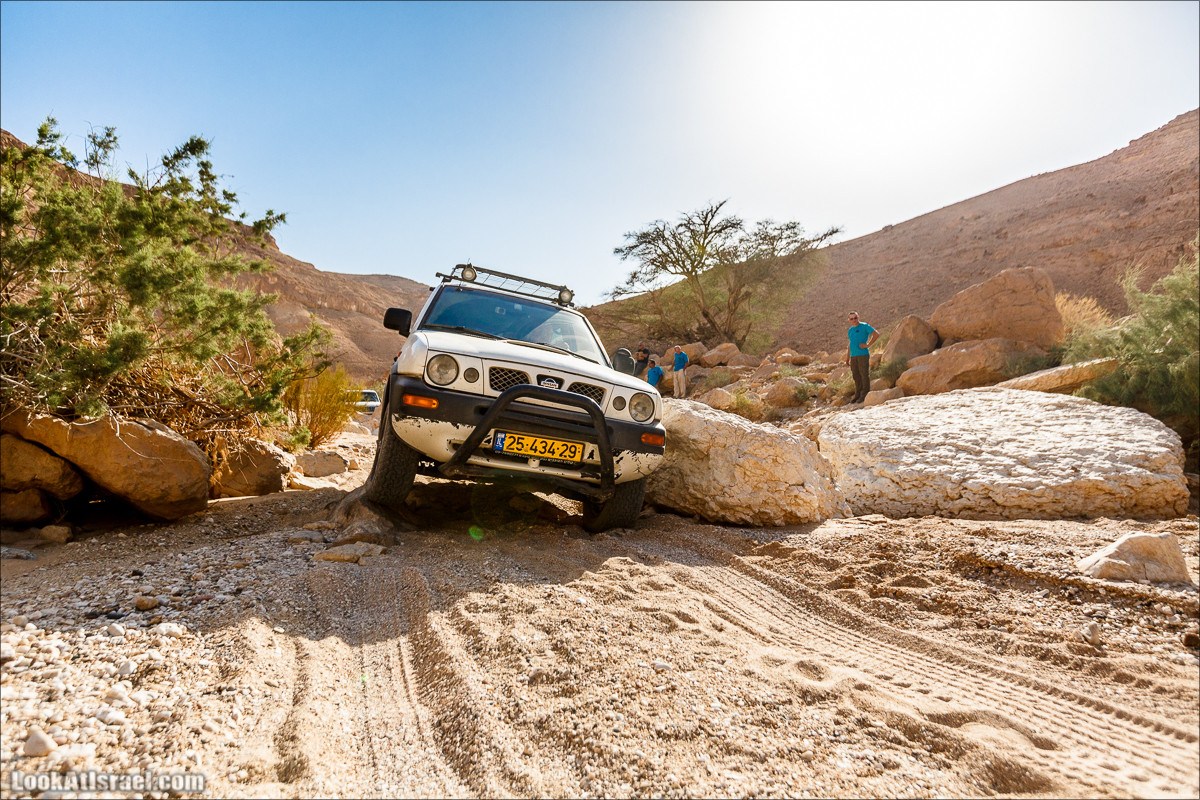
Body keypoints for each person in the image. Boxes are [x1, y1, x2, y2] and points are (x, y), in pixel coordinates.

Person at [844, 311, 879, 404]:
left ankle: (864, 395)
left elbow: (876, 334)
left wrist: (868, 345)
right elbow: (850, 344)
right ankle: (858, 394)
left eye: (855, 318)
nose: (854, 320)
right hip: (853, 356)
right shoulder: (850, 330)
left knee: (864, 374)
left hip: (863, 354)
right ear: (849, 320)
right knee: (856, 376)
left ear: (858, 317)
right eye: (852, 319)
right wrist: (847, 358)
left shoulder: (864, 326)